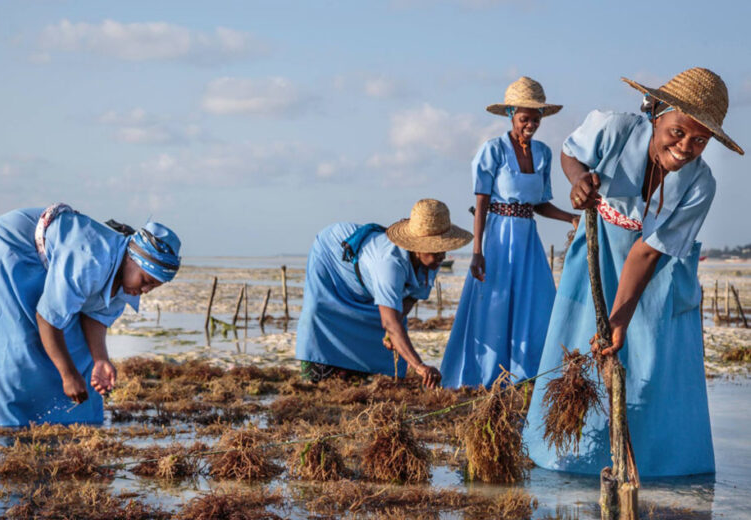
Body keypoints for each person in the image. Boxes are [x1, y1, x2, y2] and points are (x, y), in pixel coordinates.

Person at [523, 67, 744, 477]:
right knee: (582, 348)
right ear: (656, 113)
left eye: (700, 140)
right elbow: (571, 153)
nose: (685, 147)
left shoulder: (702, 184)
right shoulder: (613, 129)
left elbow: (647, 252)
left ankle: (662, 465)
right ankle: (569, 457)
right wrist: (577, 183)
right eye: (677, 132)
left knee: (655, 362)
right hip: (598, 249)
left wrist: (620, 317)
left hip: (657, 275)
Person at [0, 203, 182, 426]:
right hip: (10, 246)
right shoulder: (90, 261)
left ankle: (67, 422)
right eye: (145, 281)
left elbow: (95, 317)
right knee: (20, 343)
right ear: (131, 258)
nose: (144, 291)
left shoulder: (126, 280)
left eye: (152, 287)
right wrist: (68, 375)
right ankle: (4, 422)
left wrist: (100, 360)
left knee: (77, 350)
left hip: (48, 258)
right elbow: (47, 319)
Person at [440, 77, 578, 389]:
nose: (530, 125)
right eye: (524, 119)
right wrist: (478, 251)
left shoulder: (543, 153)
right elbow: (482, 201)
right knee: (493, 304)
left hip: (528, 237)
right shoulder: (493, 151)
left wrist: (571, 218)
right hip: (498, 237)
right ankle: (487, 377)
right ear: (511, 116)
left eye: (536, 119)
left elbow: (540, 204)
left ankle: (527, 374)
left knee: (536, 301)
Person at [295, 199, 472, 388]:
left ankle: (363, 372)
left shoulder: (432, 261)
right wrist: (419, 366)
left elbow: (408, 299)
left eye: (443, 248)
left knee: (387, 325)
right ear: (417, 246)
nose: (442, 256)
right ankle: (320, 371)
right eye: (435, 248)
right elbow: (390, 322)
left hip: (364, 276)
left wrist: (389, 334)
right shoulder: (389, 265)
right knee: (320, 312)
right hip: (330, 255)